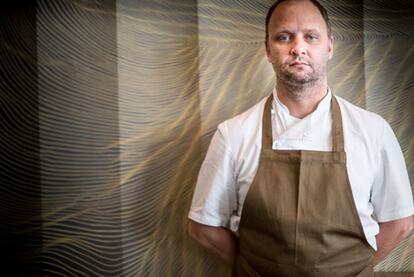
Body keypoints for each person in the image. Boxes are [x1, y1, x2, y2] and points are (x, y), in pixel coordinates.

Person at [187, 0, 414, 276]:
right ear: (268, 50)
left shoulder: (373, 130)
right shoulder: (233, 134)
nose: (298, 48)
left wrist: (356, 269)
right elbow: (203, 227)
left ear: (329, 46)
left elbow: (400, 223)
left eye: (310, 36)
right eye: (284, 37)